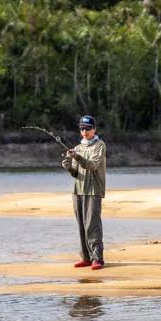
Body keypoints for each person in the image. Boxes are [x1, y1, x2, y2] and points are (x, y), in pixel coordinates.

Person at [61, 115, 106, 270]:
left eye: (87, 128)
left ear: (94, 129)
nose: (85, 131)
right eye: (82, 128)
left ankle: (97, 259)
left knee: (92, 224)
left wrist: (77, 157)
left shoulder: (99, 145)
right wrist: (68, 166)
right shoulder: (78, 148)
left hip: (93, 190)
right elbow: (76, 173)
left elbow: (93, 165)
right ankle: (86, 258)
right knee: (81, 224)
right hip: (78, 191)